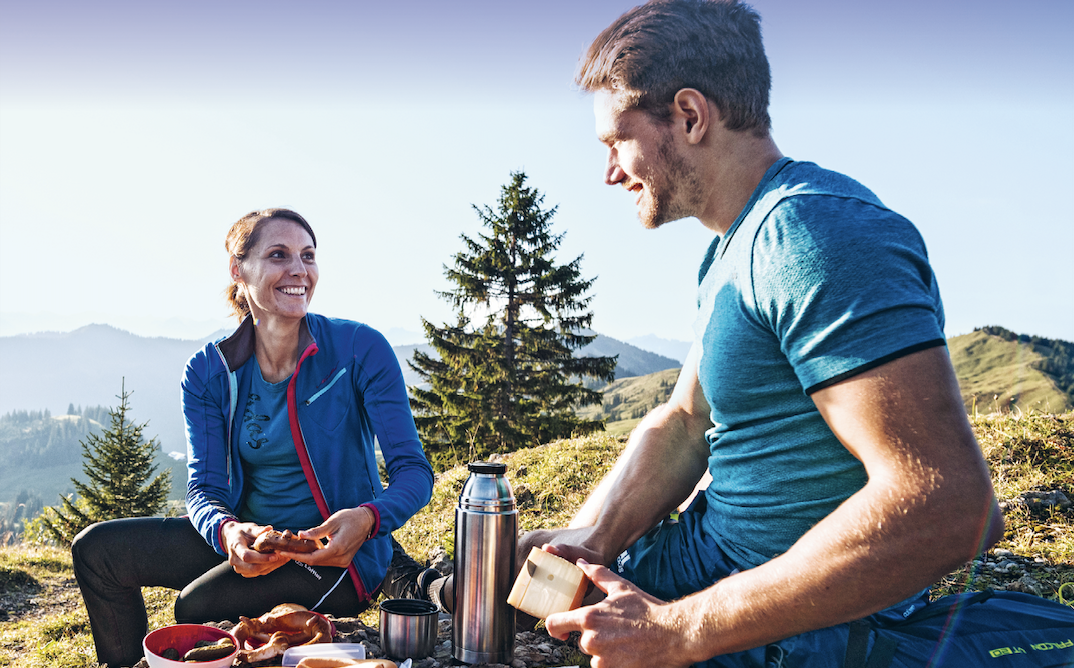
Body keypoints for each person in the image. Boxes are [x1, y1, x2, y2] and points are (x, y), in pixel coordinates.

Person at [518, 2, 1007, 666]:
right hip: (695, 575)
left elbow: (948, 504)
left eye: (615, 141)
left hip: (775, 629)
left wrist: (679, 631)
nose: (609, 171)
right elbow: (686, 421)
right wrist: (596, 536)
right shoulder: (734, 247)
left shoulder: (815, 236)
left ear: (689, 115)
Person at [71, 208, 439, 667]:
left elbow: (414, 473)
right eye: (279, 255)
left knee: (195, 607)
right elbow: (204, 490)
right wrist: (228, 531)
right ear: (238, 269)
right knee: (97, 552)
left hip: (332, 558)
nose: (299, 270)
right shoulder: (209, 371)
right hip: (255, 539)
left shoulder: (359, 349)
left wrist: (368, 518)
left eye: (308, 256)